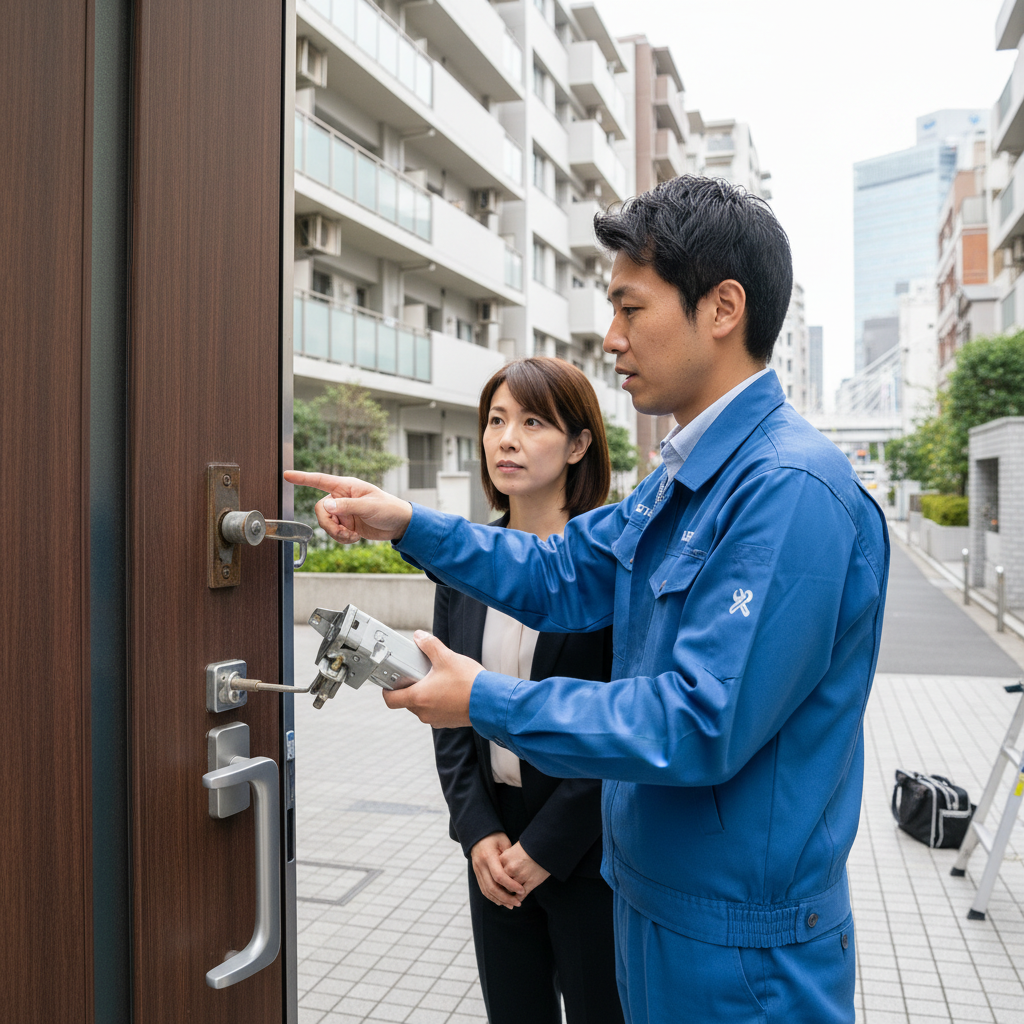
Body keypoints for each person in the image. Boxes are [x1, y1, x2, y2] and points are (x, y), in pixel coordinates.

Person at [286, 175, 890, 1024]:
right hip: (651, 906)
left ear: (722, 308)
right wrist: (407, 521)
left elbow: (696, 721)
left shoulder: (787, 489)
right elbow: (561, 575)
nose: (610, 339)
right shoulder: (685, 478)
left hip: (739, 954)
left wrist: (484, 699)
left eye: (630, 309)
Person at [432, 356, 623, 1024]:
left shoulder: (610, 566)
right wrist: (477, 831)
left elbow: (620, 720)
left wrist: (544, 849)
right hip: (493, 843)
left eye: (533, 421)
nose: (505, 438)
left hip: (587, 850)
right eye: (495, 420)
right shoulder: (464, 560)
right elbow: (451, 712)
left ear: (578, 444)